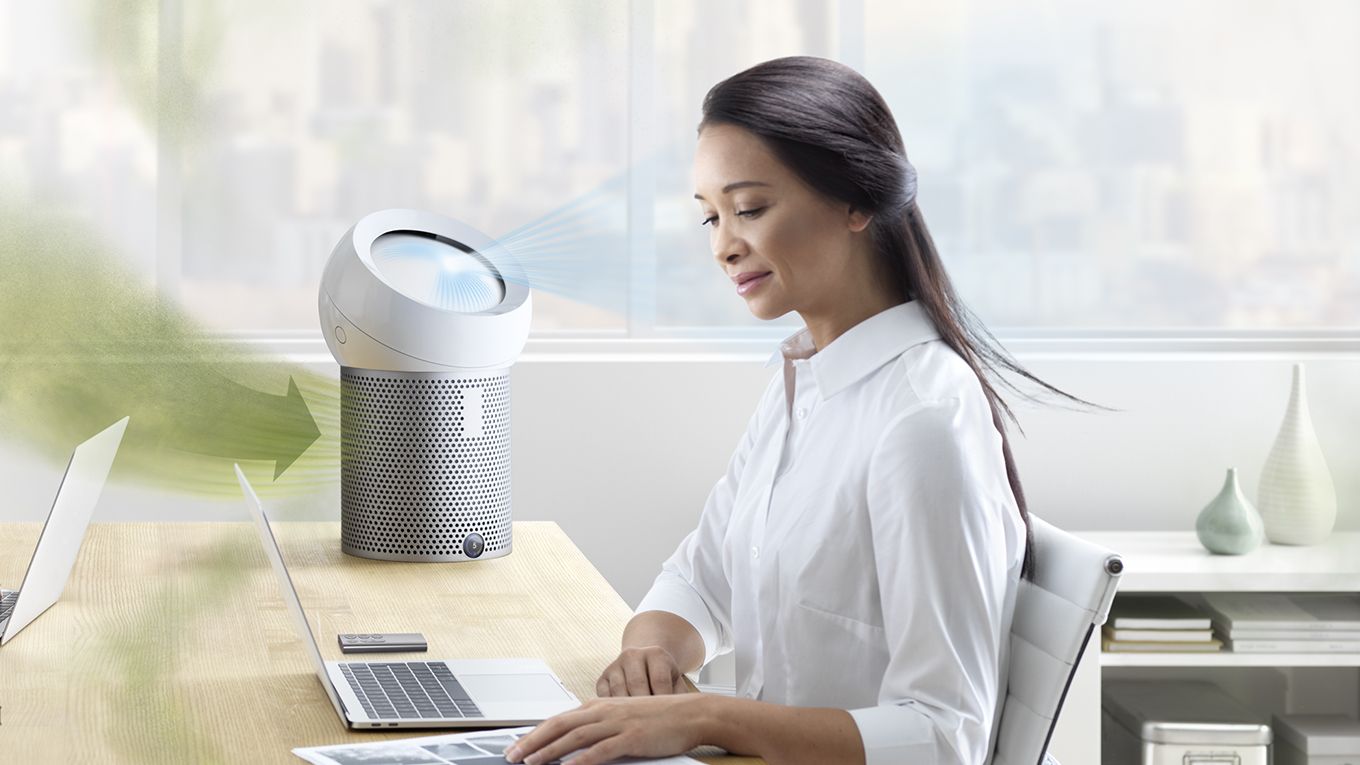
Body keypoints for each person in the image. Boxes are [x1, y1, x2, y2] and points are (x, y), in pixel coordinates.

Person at [505, 55, 1095, 765]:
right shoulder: (803, 384)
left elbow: (944, 737)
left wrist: (706, 716)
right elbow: (703, 578)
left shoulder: (924, 420)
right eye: (710, 217)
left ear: (855, 202)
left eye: (750, 209)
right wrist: (649, 654)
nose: (724, 246)